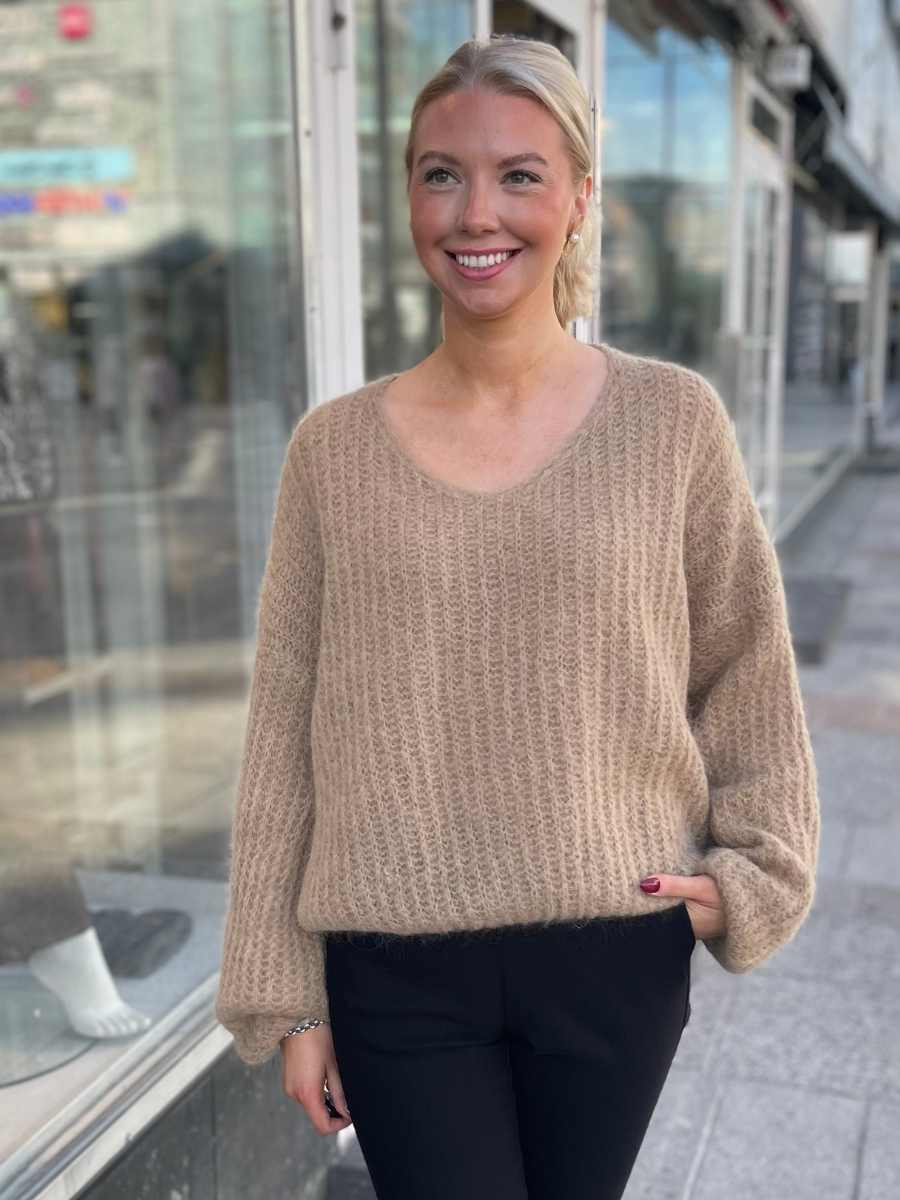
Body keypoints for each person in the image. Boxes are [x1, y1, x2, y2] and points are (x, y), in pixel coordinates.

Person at [215, 34, 820, 1200]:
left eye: (520, 175)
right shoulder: (332, 452)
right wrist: (286, 994)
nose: (475, 213)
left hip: (615, 951)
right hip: (393, 970)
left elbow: (745, 665)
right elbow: (285, 732)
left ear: (581, 196)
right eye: (441, 174)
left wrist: (758, 869)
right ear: (407, 195)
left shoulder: (671, 422)